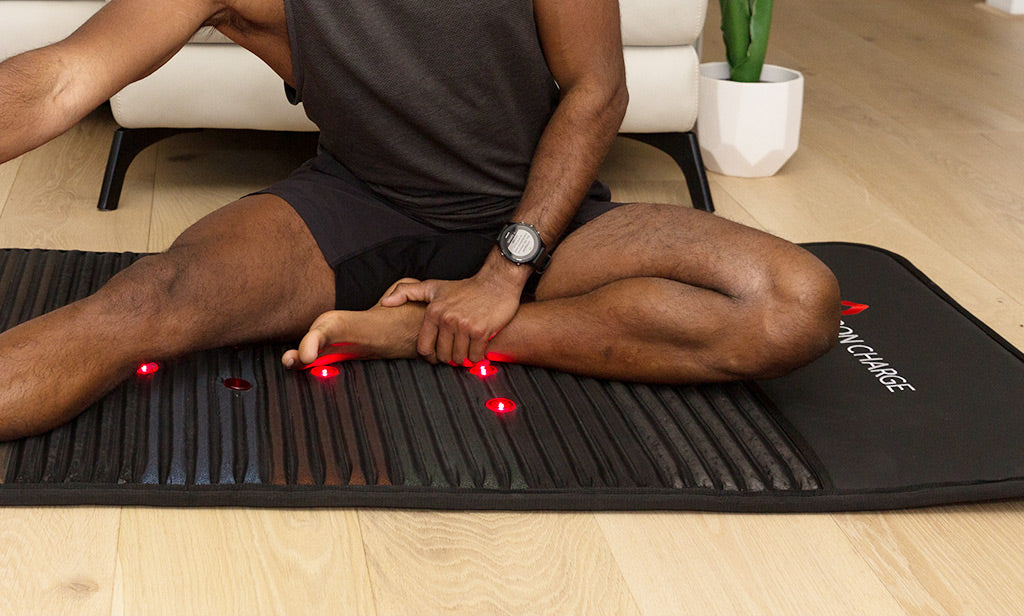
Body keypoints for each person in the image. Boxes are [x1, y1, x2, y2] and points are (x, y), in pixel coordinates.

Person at [0, 0, 840, 441]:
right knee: (145, 305)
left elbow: (599, 89)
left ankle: (422, 334)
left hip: (539, 218)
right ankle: (444, 324)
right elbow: (61, 80)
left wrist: (504, 275)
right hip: (352, 210)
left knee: (792, 303)